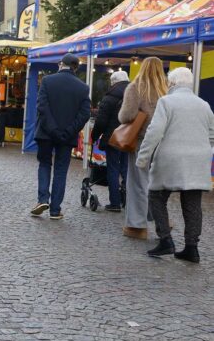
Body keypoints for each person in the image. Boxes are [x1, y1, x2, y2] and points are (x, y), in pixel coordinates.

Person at [137, 67, 214, 262]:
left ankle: (166, 240)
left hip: (171, 158)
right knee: (192, 203)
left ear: (171, 84)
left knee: (156, 195)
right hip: (197, 160)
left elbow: (154, 132)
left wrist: (143, 157)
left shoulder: (166, 102)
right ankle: (192, 247)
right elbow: (212, 135)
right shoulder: (203, 104)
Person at [30, 53, 91, 219]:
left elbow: (42, 107)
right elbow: (84, 114)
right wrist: (69, 131)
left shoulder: (48, 81)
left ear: (60, 64)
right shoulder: (82, 87)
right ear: (75, 67)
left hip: (46, 133)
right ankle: (55, 209)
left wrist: (53, 129)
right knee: (61, 170)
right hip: (67, 136)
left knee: (44, 164)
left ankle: (43, 199)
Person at [118, 56, 168, 240]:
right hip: (163, 143)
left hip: (141, 141)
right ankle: (162, 219)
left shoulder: (136, 88)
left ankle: (137, 226)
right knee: (158, 184)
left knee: (138, 183)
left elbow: (126, 116)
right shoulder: (166, 90)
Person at [90, 70, 130, 211]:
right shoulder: (135, 95)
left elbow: (101, 121)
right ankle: (130, 200)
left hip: (113, 138)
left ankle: (115, 203)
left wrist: (94, 136)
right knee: (126, 168)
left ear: (113, 82)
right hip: (130, 138)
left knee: (113, 169)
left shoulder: (110, 97)